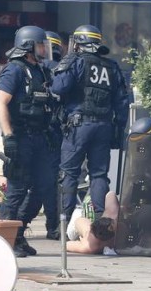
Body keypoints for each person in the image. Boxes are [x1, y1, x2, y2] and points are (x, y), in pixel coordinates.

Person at [51, 24, 129, 223]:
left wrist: (66, 62)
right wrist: (119, 129)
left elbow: (59, 88)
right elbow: (122, 102)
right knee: (99, 175)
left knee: (68, 173)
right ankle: (100, 222)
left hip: (78, 126)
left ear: (78, 43)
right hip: (104, 127)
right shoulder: (111, 66)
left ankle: (64, 222)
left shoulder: (75, 61)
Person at [0, 25, 58, 257]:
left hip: (39, 137)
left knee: (44, 186)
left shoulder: (40, 71)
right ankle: (5, 239)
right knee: (17, 189)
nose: (44, 48)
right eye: (41, 44)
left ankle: (18, 233)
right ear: (28, 45)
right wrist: (8, 135)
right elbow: (1, 102)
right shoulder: (15, 70)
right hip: (20, 137)